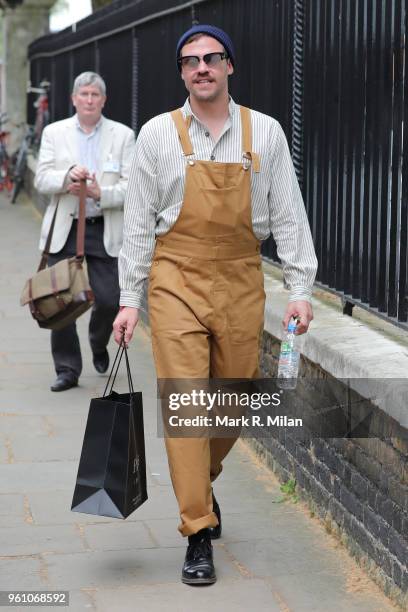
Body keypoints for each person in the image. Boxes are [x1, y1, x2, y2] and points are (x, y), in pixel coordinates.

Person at [113, 25, 318, 585]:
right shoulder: (156, 135)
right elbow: (136, 227)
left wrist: (300, 287)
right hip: (174, 276)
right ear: (181, 72)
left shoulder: (266, 132)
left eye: (212, 58)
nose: (201, 67)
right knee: (187, 407)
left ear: (230, 66)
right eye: (190, 61)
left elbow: (290, 211)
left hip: (241, 277)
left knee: (235, 396)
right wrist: (129, 301)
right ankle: (197, 531)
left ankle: (200, 482)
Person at [35, 71, 135, 392]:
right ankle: (67, 369)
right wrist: (67, 176)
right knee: (60, 302)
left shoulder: (123, 136)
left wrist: (98, 194)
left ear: (103, 100)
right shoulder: (54, 133)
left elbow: (131, 188)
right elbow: (41, 179)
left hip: (104, 227)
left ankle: (98, 341)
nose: (89, 100)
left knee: (109, 299)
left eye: (95, 95)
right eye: (84, 95)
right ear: (74, 99)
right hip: (66, 227)